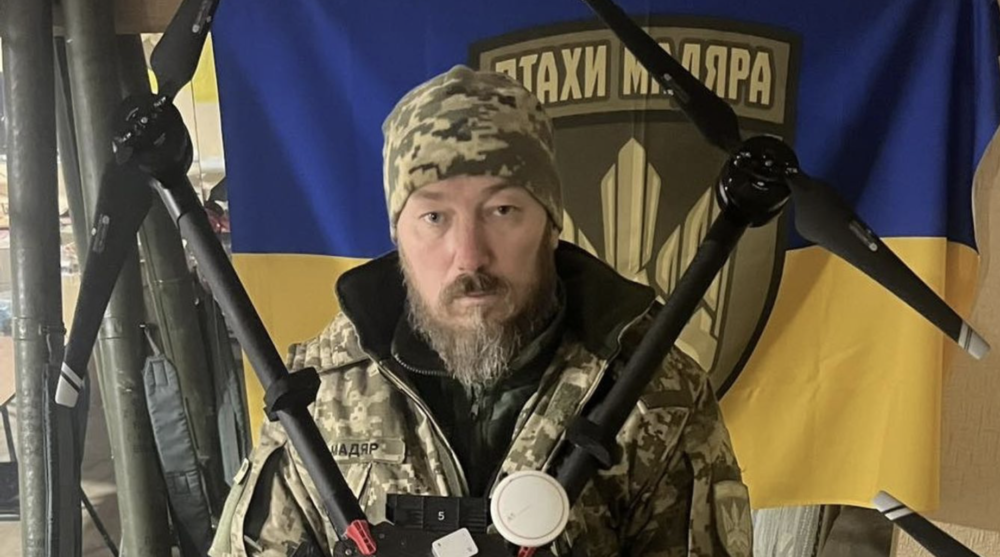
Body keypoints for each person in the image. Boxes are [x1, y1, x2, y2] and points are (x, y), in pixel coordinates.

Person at [210, 65, 752, 557]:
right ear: (398, 235)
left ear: (551, 224)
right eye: (434, 217)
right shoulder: (321, 392)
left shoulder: (655, 394)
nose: (469, 256)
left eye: (502, 209)